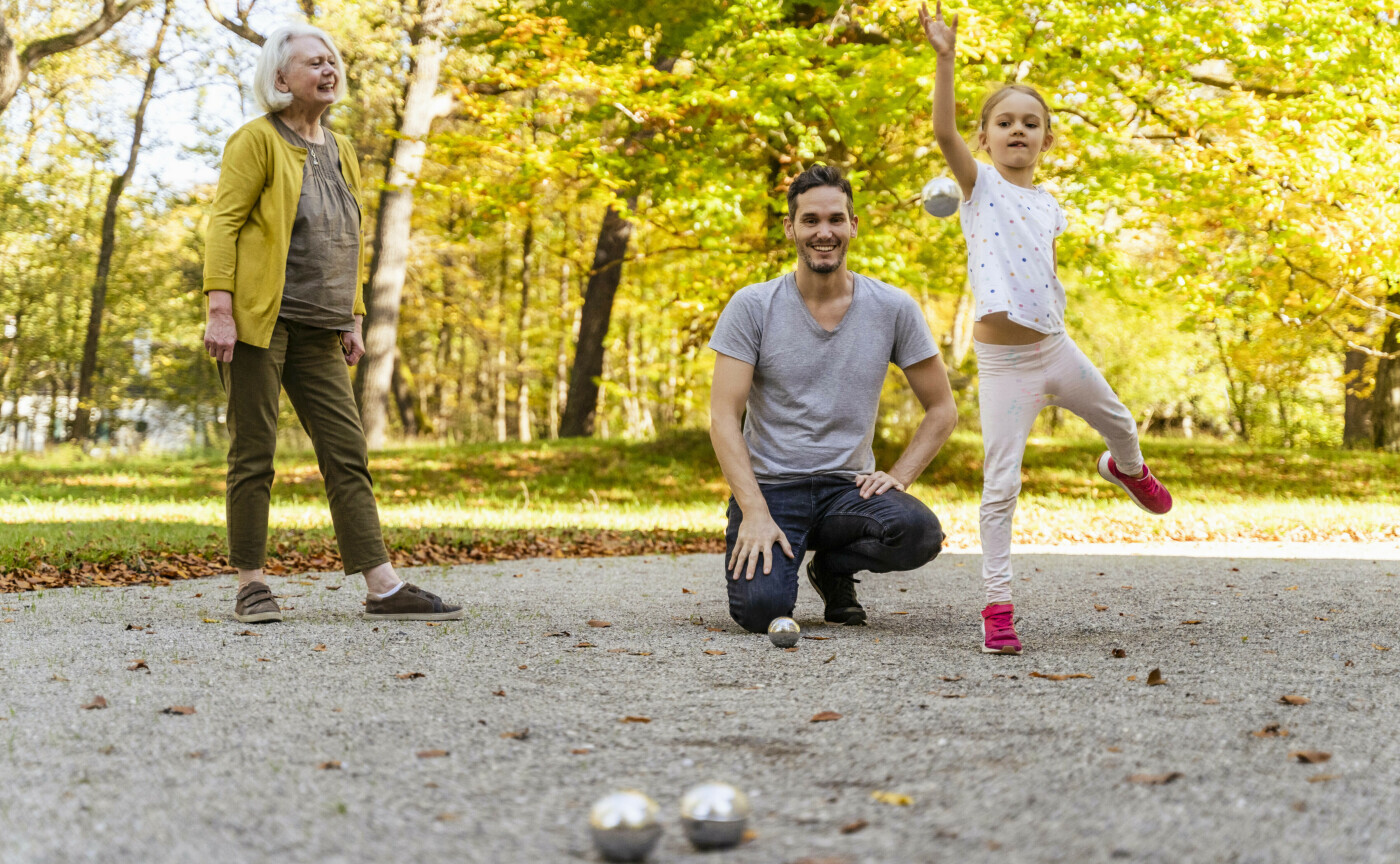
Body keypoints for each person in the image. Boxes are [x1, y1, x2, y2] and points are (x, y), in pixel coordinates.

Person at [920, 1, 1173, 655]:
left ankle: (1127, 470)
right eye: (1004, 123)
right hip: (1003, 367)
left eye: (1030, 123)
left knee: (1121, 422)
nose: (1018, 131)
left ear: (1046, 139)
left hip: (1054, 348)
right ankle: (997, 607)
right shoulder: (979, 189)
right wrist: (946, 58)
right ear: (985, 138)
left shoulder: (1051, 205)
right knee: (1000, 483)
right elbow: (944, 132)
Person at [202, 24, 461, 623]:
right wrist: (220, 309)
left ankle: (383, 585)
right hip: (258, 325)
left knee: (347, 454)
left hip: (322, 326)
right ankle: (251, 584)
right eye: (313, 63)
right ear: (280, 78)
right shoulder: (256, 142)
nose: (328, 70)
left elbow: (349, 236)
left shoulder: (339, 148)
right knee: (255, 454)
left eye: (332, 61)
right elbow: (224, 226)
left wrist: (353, 314)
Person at [709, 164, 958, 634]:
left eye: (835, 219)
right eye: (810, 220)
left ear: (853, 226)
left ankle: (832, 570)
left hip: (848, 491)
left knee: (920, 533)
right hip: (772, 490)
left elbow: (942, 408)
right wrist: (755, 513)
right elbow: (723, 416)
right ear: (791, 228)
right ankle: (782, 548)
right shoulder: (752, 306)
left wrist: (900, 476)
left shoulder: (892, 307)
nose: (824, 232)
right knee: (762, 612)